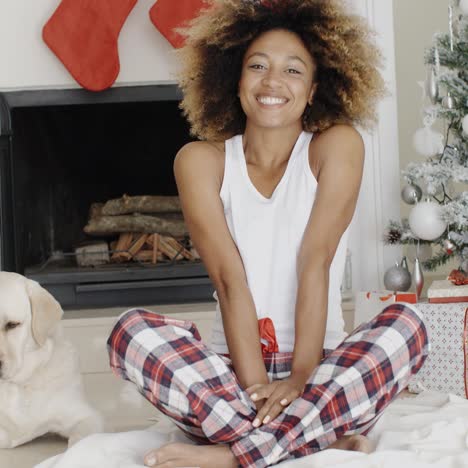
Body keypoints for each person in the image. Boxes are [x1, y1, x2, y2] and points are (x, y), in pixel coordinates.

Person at [107, 1, 429, 467]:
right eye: (257, 66)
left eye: (293, 71)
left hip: (321, 369)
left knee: (408, 326)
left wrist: (300, 378)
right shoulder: (200, 161)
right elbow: (230, 281)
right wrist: (255, 386)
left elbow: (314, 263)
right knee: (129, 332)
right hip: (228, 374)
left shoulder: (335, 146)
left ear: (315, 87)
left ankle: (231, 454)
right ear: (234, 79)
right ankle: (308, 438)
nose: (272, 82)